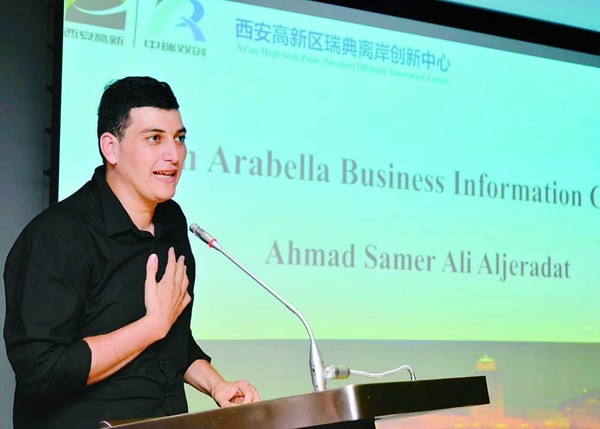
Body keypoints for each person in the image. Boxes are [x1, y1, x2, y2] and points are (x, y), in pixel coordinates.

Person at [3, 76, 260, 429]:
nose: (174, 155)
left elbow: (172, 341)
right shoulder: (58, 237)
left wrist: (218, 385)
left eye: (179, 138)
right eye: (154, 138)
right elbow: (42, 371)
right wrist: (150, 326)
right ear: (111, 148)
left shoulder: (172, 222)